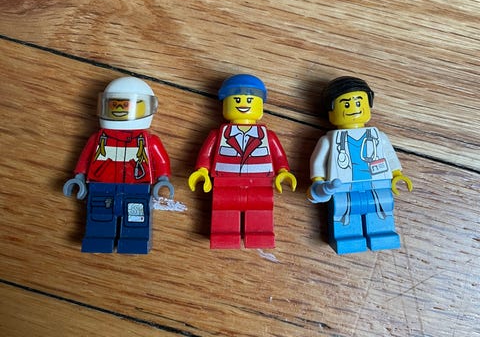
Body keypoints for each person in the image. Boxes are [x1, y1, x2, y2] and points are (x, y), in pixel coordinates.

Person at [63, 76, 173, 253]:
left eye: (126, 106)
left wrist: (163, 179)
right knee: (100, 214)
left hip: (137, 187)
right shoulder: (98, 139)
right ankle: (98, 240)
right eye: (115, 105)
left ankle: (134, 242)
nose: (121, 110)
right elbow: (85, 158)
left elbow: (161, 161)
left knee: (136, 217)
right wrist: (79, 177)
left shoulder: (148, 141)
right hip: (101, 186)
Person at [189, 74, 296, 249]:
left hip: (261, 182)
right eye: (237, 99)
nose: (243, 103)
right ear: (225, 104)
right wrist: (202, 171)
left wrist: (283, 172)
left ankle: (260, 235)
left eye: (250, 100)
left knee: (261, 208)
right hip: (224, 182)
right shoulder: (218, 134)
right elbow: (206, 155)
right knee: (223, 207)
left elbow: (278, 157)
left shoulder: (267, 135)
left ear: (260, 107)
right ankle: (224, 235)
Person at [308, 76, 412, 254]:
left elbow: (390, 156)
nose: (353, 108)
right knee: (344, 210)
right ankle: (346, 237)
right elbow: (317, 162)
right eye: (346, 104)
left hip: (378, 183)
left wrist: (397, 175)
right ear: (331, 111)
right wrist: (318, 182)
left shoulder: (378, 137)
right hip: (342, 186)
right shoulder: (329, 141)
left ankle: (382, 233)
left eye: (358, 102)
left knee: (382, 206)